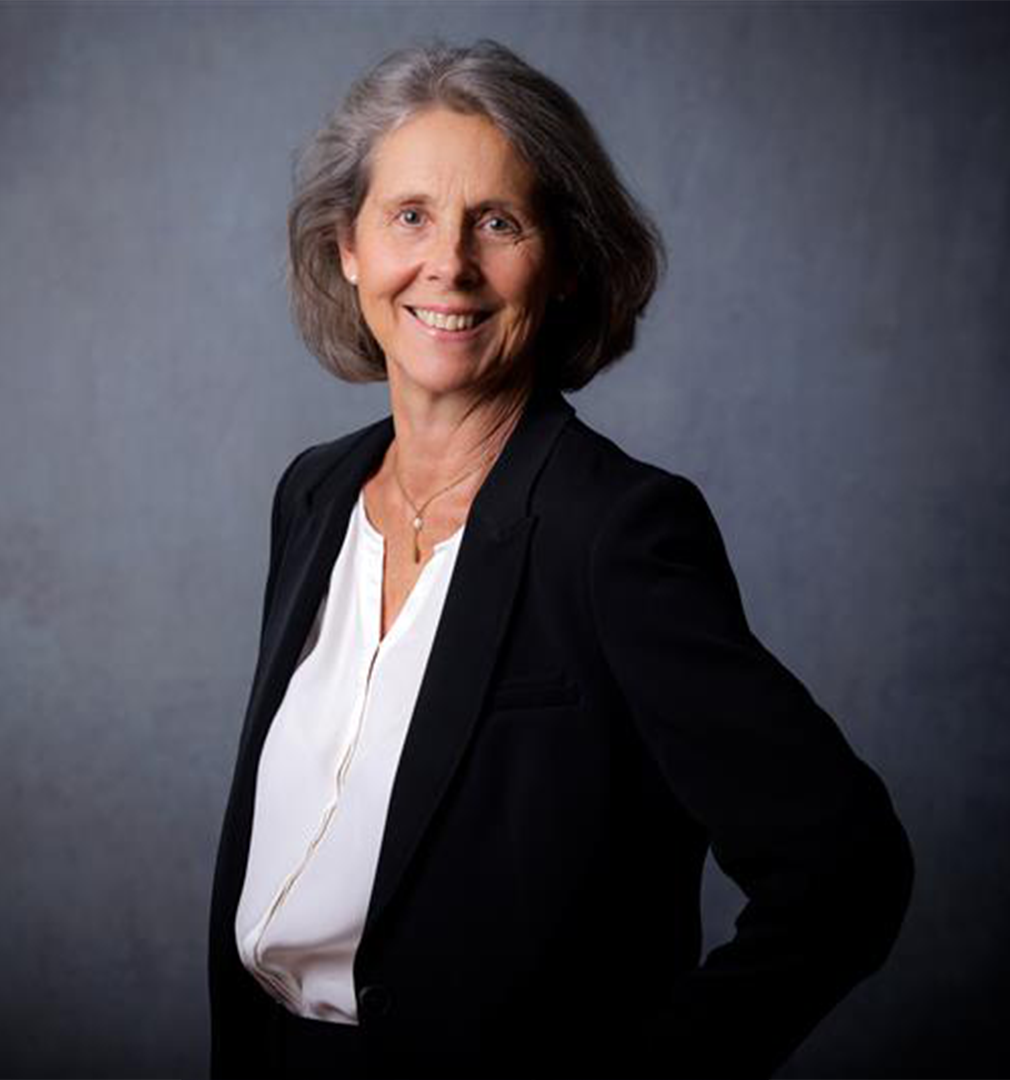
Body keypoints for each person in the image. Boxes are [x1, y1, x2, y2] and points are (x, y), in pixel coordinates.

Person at [208, 39, 913, 1080]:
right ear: (347, 247)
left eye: (499, 222)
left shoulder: (615, 531)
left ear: (566, 262)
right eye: (410, 216)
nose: (447, 263)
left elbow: (847, 871)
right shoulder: (315, 495)